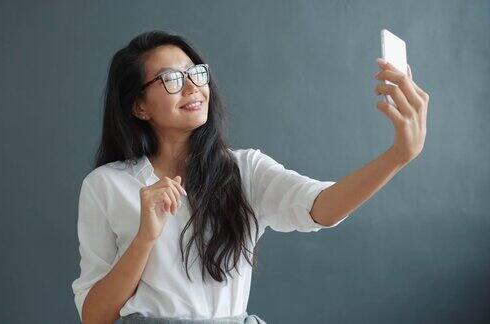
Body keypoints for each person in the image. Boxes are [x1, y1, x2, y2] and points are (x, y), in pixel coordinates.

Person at [71, 29, 430, 324]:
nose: (192, 86)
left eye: (195, 72)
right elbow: (95, 316)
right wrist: (145, 238)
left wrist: (397, 155)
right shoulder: (106, 185)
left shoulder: (245, 171)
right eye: (170, 79)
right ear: (139, 106)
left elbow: (323, 207)